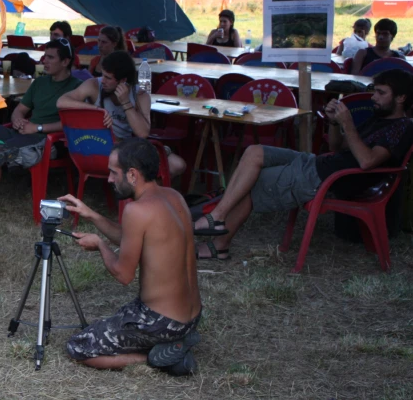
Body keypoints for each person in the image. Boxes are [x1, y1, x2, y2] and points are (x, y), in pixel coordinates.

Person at [193, 69, 413, 260]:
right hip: (318, 163)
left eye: (381, 93)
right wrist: (335, 123)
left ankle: (219, 245)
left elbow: (367, 161)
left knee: (251, 182)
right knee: (254, 151)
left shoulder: (401, 128)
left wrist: (349, 124)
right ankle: (217, 217)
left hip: (325, 178)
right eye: (375, 91)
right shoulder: (379, 118)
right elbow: (338, 147)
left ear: (401, 98)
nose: (374, 97)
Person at [60, 138, 202, 374]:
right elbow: (132, 239)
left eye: (114, 173)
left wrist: (100, 245)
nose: (109, 180)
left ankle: (159, 357)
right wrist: (91, 214)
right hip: (191, 316)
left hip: (161, 322)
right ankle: (176, 340)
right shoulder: (173, 197)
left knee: (79, 346)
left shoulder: (136, 210)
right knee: (117, 318)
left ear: (133, 175)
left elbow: (123, 274)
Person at [0, 38, 82, 228]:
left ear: (66, 61)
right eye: (44, 56)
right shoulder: (40, 82)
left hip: (46, 140)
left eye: (51, 58)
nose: (44, 61)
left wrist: (39, 128)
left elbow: (75, 123)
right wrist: (18, 118)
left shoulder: (77, 87)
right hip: (21, 134)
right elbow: (20, 109)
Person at [57, 51, 187, 178]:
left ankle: (142, 194)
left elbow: (142, 133)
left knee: (177, 165)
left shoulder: (140, 95)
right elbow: (61, 101)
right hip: (99, 146)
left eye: (108, 78)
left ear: (123, 80)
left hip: (126, 148)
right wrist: (95, 110)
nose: (103, 81)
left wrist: (125, 103)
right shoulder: (94, 85)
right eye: (103, 75)